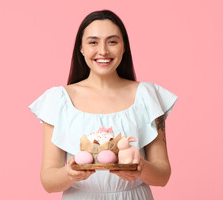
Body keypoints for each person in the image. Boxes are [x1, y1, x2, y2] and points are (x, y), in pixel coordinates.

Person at [29, 10, 178, 199]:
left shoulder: (147, 97)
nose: (103, 51)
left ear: (124, 47)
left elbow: (162, 176)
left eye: (112, 41)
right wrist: (70, 173)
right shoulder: (58, 100)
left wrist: (140, 168)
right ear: (80, 48)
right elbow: (48, 181)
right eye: (93, 42)